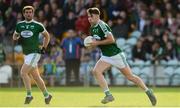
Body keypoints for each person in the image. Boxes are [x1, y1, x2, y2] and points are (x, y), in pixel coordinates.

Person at [86, 7, 157, 106]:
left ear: (97, 16)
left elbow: (111, 40)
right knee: (96, 71)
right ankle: (108, 95)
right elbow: (96, 43)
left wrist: (96, 43)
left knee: (130, 77)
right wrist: (90, 45)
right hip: (106, 56)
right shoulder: (92, 28)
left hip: (116, 55)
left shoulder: (102, 25)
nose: (89, 18)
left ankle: (148, 91)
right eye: (88, 16)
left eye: (91, 16)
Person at [12, 6, 52, 104]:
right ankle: (47, 95)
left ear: (33, 14)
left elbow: (47, 36)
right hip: (26, 54)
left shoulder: (38, 25)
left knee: (23, 72)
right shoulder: (19, 25)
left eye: (30, 12)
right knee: (36, 77)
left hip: (34, 53)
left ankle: (29, 95)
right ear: (23, 14)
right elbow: (14, 37)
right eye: (27, 12)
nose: (29, 14)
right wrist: (17, 37)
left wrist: (44, 47)